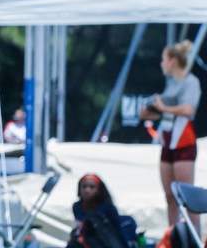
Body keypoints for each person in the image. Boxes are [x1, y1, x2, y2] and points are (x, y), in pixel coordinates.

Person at [140, 39, 201, 227]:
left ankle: (194, 238)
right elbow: (165, 111)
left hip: (183, 142)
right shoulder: (171, 83)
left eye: (164, 60)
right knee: (169, 195)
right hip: (167, 142)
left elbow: (187, 110)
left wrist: (163, 108)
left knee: (186, 195)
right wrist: (150, 112)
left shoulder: (191, 82)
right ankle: (172, 236)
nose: (162, 64)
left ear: (173, 61)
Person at [65, 174, 128, 248]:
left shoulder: (107, 208)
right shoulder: (77, 207)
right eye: (84, 186)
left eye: (92, 187)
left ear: (99, 190)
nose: (87, 190)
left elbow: (117, 233)